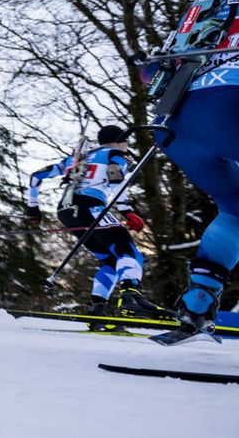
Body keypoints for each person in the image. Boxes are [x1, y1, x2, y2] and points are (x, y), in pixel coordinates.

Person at [26, 125, 166, 322]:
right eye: (126, 142)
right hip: (90, 207)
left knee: (110, 261)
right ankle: (131, 298)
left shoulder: (78, 158)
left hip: (66, 212)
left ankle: (97, 307)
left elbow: (36, 177)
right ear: (120, 141)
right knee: (129, 252)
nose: (127, 146)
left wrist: (33, 208)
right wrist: (127, 211)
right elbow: (116, 177)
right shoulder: (116, 154)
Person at [155, 41, 239, 341]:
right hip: (230, 101)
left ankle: (197, 304)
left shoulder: (206, 13)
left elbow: (152, 70)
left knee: (236, 210)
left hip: (175, 123)